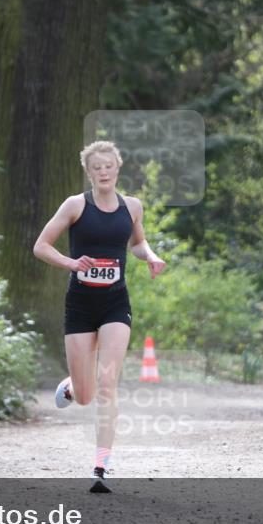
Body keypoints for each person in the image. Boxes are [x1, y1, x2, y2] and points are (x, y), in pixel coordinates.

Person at [33, 141, 166, 493]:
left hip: (115, 304)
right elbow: (41, 246)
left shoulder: (132, 207)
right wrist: (72, 263)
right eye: (97, 167)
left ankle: (101, 467)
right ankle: (72, 386)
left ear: (117, 168)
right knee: (86, 395)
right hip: (80, 306)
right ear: (89, 172)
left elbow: (137, 244)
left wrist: (151, 256)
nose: (103, 172)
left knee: (108, 384)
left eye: (109, 166)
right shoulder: (75, 205)